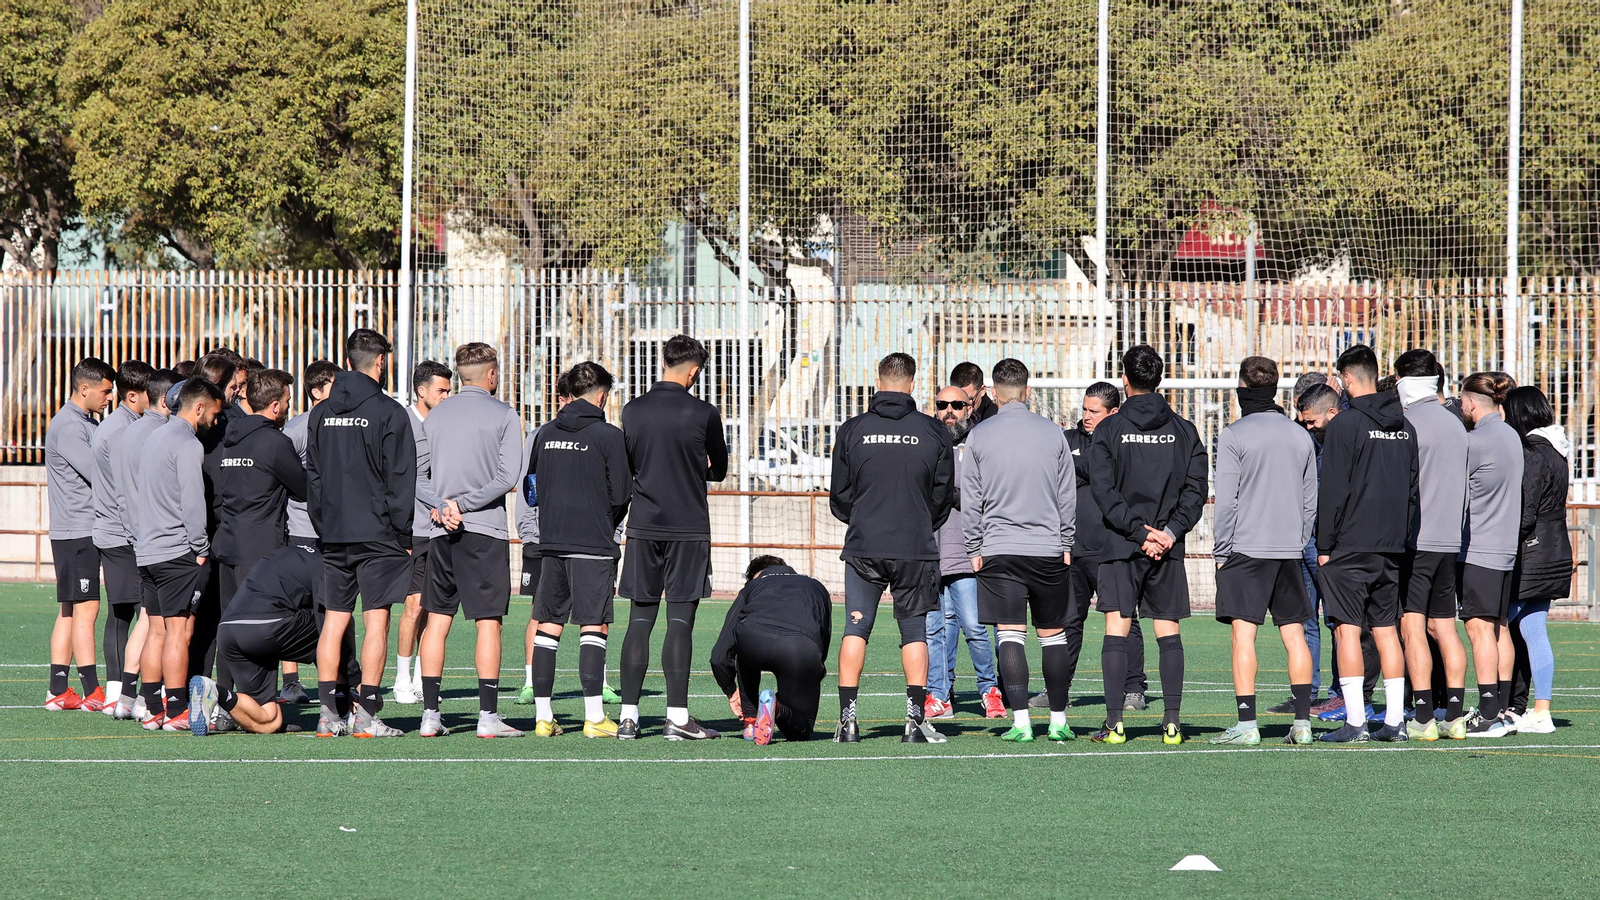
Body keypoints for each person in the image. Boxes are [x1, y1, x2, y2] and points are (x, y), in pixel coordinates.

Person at [829, 352, 955, 744]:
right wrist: (918, 521)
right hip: (914, 546)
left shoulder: (852, 429)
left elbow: (840, 497)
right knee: (915, 631)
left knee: (855, 628)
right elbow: (943, 496)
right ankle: (915, 723)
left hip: (865, 545)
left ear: (878, 382)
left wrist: (867, 520)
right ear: (914, 384)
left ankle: (847, 723)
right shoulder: (934, 431)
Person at [1085, 345, 1207, 745]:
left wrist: (1139, 533)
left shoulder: (1108, 430)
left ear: (1124, 380)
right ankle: (1172, 723)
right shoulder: (1185, 430)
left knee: (1116, 630)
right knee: (1167, 629)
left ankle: (1114, 723)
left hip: (1123, 545)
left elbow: (1102, 491)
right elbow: (1196, 490)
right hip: (1166, 549)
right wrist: (1168, 534)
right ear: (1160, 379)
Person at [617, 334, 730, 740]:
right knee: (680, 621)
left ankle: (628, 718)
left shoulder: (632, 410)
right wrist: (690, 468)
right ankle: (677, 718)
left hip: (644, 527)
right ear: (694, 370)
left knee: (639, 619)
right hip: (688, 529)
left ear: (664, 362)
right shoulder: (704, 413)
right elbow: (719, 469)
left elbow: (627, 465)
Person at [306, 328, 416, 738]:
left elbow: (312, 479)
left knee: (334, 620)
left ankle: (328, 714)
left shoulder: (320, 412)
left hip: (334, 533)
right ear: (381, 362)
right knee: (376, 620)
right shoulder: (390, 412)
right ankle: (367, 714)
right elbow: (400, 481)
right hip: (379, 534)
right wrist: (403, 535)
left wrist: (323, 524)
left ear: (349, 361)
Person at [961, 359, 1077, 742]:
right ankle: (1059, 721)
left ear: (994, 393)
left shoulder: (980, 435)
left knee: (1010, 635)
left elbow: (971, 498)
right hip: (1047, 550)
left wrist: (974, 546)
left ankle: (1022, 723)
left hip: (998, 550)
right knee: (1053, 635)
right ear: (1027, 392)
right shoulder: (1054, 433)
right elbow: (1067, 495)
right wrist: (1066, 542)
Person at [1208, 357, 1319, 746]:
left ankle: (1246, 725)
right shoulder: (1299, 435)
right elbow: (1310, 501)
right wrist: (1297, 538)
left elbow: (1227, 502)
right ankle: (1303, 724)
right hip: (1287, 550)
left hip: (1246, 550)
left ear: (1243, 387)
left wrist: (1221, 550)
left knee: (1243, 637)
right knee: (1295, 636)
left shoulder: (1235, 434)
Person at [417, 343, 525, 739]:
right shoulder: (505, 414)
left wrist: (442, 506)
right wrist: (460, 503)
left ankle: (430, 715)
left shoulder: (434, 415)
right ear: (492, 375)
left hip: (439, 531)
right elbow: (507, 477)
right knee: (488, 624)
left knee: (437, 621)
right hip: (484, 531)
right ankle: (488, 716)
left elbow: (416, 476)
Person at [1314, 345, 1417, 743]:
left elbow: (1334, 490)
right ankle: (1395, 721)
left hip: (1350, 545)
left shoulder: (1345, 424)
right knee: (1387, 630)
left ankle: (1355, 721)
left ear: (1348, 380)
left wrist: (1325, 543)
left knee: (1347, 630)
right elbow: (1411, 490)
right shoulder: (1405, 426)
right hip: (1391, 545)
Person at [526, 361, 632, 738]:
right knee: (594, 625)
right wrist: (603, 518)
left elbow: (531, 488)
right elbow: (621, 493)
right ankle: (594, 718)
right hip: (593, 544)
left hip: (551, 542)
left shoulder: (544, 434)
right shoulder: (609, 435)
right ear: (602, 396)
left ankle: (543, 718)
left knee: (547, 627)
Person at [1033, 381, 1150, 714]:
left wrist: (1082, 468)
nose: (1085, 416)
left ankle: (1133, 689)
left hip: (1110, 550)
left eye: (1093, 411)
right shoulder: (1067, 440)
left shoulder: (1122, 443)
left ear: (1113, 412)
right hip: (1070, 548)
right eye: (1084, 409)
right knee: (1067, 619)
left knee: (1124, 617)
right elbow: (1053, 474)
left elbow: (1111, 478)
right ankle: (1058, 689)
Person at [205, 367, 305, 704]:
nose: (289, 408)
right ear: (275, 406)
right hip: (260, 550)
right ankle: (259, 705)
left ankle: (224, 703)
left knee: (229, 628)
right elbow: (303, 489)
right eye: (287, 402)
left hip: (228, 544)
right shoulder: (275, 442)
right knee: (261, 629)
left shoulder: (232, 436)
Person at [188, 545, 359, 735]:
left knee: (270, 720)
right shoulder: (327, 567)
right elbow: (331, 632)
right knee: (338, 624)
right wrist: (355, 683)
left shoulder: (286, 554)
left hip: (229, 631)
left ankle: (216, 692)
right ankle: (341, 711)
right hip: (266, 628)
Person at [135, 377, 225, 732]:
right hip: (177, 553)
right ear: (198, 406)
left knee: (156, 631)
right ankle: (175, 710)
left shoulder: (154, 436)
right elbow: (192, 501)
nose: (216, 420)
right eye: (214, 413)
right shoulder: (188, 444)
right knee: (179, 632)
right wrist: (201, 548)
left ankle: (153, 707)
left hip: (149, 551)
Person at [1393, 350, 1471, 740]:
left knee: (1412, 627)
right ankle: (1454, 714)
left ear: (1404, 381)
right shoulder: (1456, 423)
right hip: (1449, 539)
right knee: (1445, 627)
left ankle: (1423, 717)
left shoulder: (1407, 422)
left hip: (1415, 540)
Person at [44, 357, 117, 711]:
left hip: (74, 529)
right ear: (84, 388)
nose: (109, 397)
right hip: (77, 530)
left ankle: (58, 688)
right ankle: (92, 691)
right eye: (105, 391)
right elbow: (97, 474)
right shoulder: (70, 426)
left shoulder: (83, 422)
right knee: (87, 608)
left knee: (71, 611)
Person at [927, 385, 1001, 720]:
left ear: (970, 407)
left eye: (957, 404)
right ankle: (940, 695)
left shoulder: (978, 446)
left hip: (967, 554)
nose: (949, 410)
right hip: (931, 557)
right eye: (943, 404)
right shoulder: (927, 445)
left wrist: (952, 495)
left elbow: (989, 496)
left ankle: (990, 690)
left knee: (974, 626)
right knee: (936, 630)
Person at [1456, 372, 1524, 738]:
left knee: (1479, 629)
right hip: (1504, 548)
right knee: (1499, 628)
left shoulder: (1476, 440)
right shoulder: (1511, 435)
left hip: (1479, 547)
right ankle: (1502, 707)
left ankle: (1488, 713)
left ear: (1469, 402)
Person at [110, 368, 178, 722]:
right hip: (159, 539)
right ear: (167, 400)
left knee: (148, 620)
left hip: (135, 534)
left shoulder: (128, 432)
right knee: (159, 624)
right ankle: (147, 696)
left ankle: (128, 694)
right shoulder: (162, 435)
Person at [710, 556, 832, 745]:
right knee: (801, 730)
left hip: (754, 641)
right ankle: (777, 709)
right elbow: (823, 637)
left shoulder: (751, 587)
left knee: (743, 640)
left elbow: (720, 654)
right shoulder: (815, 586)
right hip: (800, 649)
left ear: (755, 577)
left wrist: (731, 691)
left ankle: (750, 721)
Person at [1503, 386, 1568, 735]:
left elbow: (1524, 512)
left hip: (1532, 551)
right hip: (1555, 546)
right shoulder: (1558, 449)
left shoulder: (1533, 452)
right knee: (1534, 630)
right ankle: (1540, 710)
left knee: (1496, 625)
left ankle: (1497, 707)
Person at [90, 360, 154, 713]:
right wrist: (136, 531)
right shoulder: (120, 431)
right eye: (151, 393)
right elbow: (123, 490)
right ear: (134, 396)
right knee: (127, 611)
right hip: (119, 532)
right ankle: (120, 689)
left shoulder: (123, 425)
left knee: (125, 610)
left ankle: (121, 688)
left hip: (117, 529)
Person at [278, 359, 338, 703]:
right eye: (333, 385)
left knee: (334, 607)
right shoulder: (297, 429)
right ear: (316, 391)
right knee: (297, 606)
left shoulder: (343, 425)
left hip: (334, 533)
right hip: (301, 531)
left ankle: (338, 678)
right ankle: (291, 681)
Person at [393, 360, 452, 705]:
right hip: (413, 529)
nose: (446, 396)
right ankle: (401, 679)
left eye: (448, 389)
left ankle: (419, 678)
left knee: (433, 606)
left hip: (438, 530)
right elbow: (409, 478)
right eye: (441, 390)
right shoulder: (405, 424)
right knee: (413, 605)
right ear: (422, 391)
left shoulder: (443, 424)